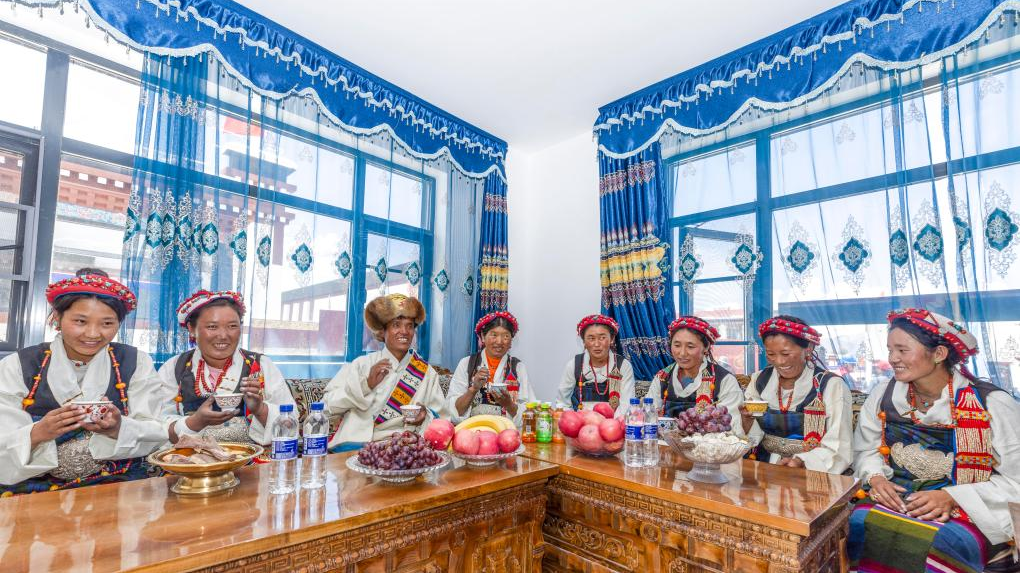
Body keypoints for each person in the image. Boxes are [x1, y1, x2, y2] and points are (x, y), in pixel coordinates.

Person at [849, 308, 1020, 573]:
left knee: (943, 541)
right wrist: (876, 478)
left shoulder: (992, 403)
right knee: (858, 520)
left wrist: (952, 497)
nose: (892, 358)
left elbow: (1016, 481)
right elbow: (866, 448)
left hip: (972, 505)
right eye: (890, 349)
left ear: (939, 354)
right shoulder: (885, 394)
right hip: (900, 495)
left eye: (902, 350)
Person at [0, 269, 168, 494]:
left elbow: (156, 429)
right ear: (57, 318)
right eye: (80, 321)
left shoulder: (135, 361)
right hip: (35, 489)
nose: (92, 334)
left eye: (107, 324)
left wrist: (119, 428)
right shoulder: (19, 364)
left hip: (119, 484)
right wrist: (39, 432)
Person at [158, 290, 294, 446]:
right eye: (212, 327)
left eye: (232, 326)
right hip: (192, 463)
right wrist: (195, 422)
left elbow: (290, 424)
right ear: (191, 329)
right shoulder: (175, 368)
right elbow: (158, 427)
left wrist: (260, 409)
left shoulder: (261, 365)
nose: (223, 335)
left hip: (250, 463)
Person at [324, 294, 448, 451]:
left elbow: (443, 420)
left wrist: (425, 416)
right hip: (357, 448)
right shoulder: (361, 365)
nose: (404, 331)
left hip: (406, 450)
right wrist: (365, 385)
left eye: (409, 326)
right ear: (382, 331)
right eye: (396, 325)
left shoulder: (427, 373)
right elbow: (327, 406)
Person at [740, 315, 852, 473]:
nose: (779, 362)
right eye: (771, 354)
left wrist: (801, 461)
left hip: (811, 470)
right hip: (765, 467)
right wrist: (746, 421)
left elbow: (839, 445)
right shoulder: (759, 380)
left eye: (785, 354)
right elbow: (753, 435)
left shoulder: (831, 385)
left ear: (808, 348)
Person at [648, 316, 744, 431]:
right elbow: (648, 415)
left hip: (709, 447)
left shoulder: (724, 380)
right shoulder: (662, 377)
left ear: (706, 347)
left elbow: (731, 426)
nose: (682, 353)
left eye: (690, 346)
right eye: (677, 345)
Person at [447, 311, 537, 425]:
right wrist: (473, 389)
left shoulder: (518, 368)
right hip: (472, 433)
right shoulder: (467, 364)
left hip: (506, 435)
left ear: (511, 341)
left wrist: (508, 404)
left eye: (506, 336)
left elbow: (530, 414)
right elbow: (453, 412)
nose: (499, 342)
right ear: (483, 337)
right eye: (494, 335)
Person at [557, 314, 635, 412]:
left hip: (612, 424)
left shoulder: (623, 366)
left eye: (602, 338)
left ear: (612, 339)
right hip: (581, 424)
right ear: (584, 342)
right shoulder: (574, 365)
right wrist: (573, 420)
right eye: (591, 338)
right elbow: (562, 402)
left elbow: (626, 406)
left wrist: (611, 424)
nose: (597, 344)